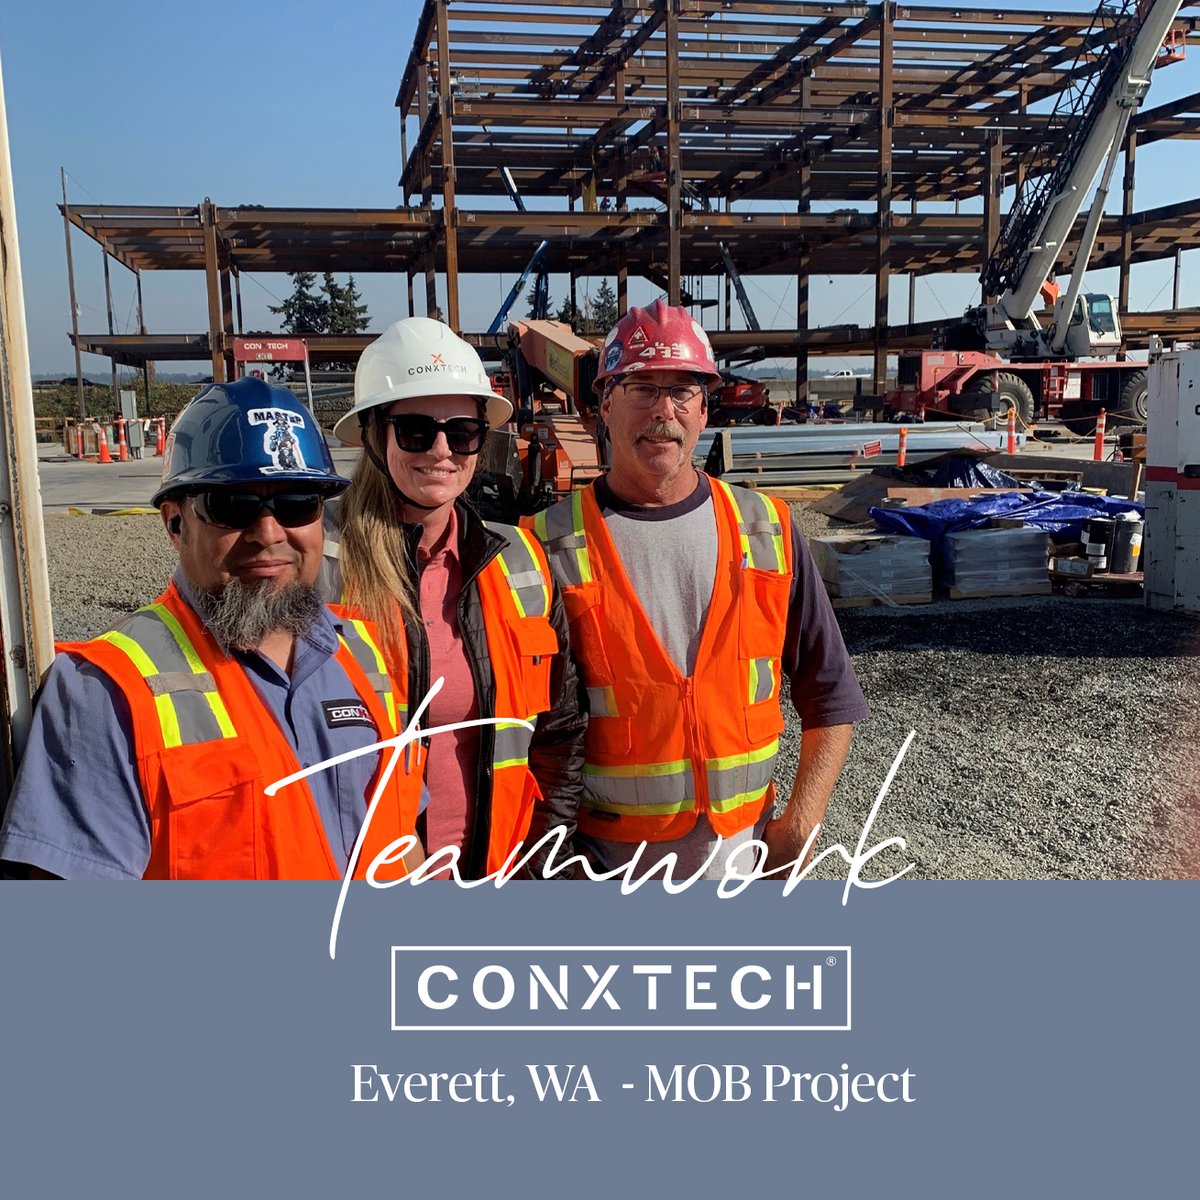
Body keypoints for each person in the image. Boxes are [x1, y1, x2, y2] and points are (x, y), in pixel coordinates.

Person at [0, 378, 421, 880]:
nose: (269, 533)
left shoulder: (368, 655)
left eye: (296, 503)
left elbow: (404, 839)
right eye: (232, 506)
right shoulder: (105, 691)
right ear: (175, 523)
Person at [531, 299, 869, 878]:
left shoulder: (767, 528)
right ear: (605, 407)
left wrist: (802, 824)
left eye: (682, 391)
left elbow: (830, 693)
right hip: (607, 868)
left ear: (704, 410)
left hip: (748, 857)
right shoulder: (544, 546)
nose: (664, 410)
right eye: (642, 388)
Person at [327, 318, 586, 878]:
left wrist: (547, 866)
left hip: (503, 879)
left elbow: (559, 732)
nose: (442, 450)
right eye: (416, 430)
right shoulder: (317, 564)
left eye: (463, 431)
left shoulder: (519, 559)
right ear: (374, 435)